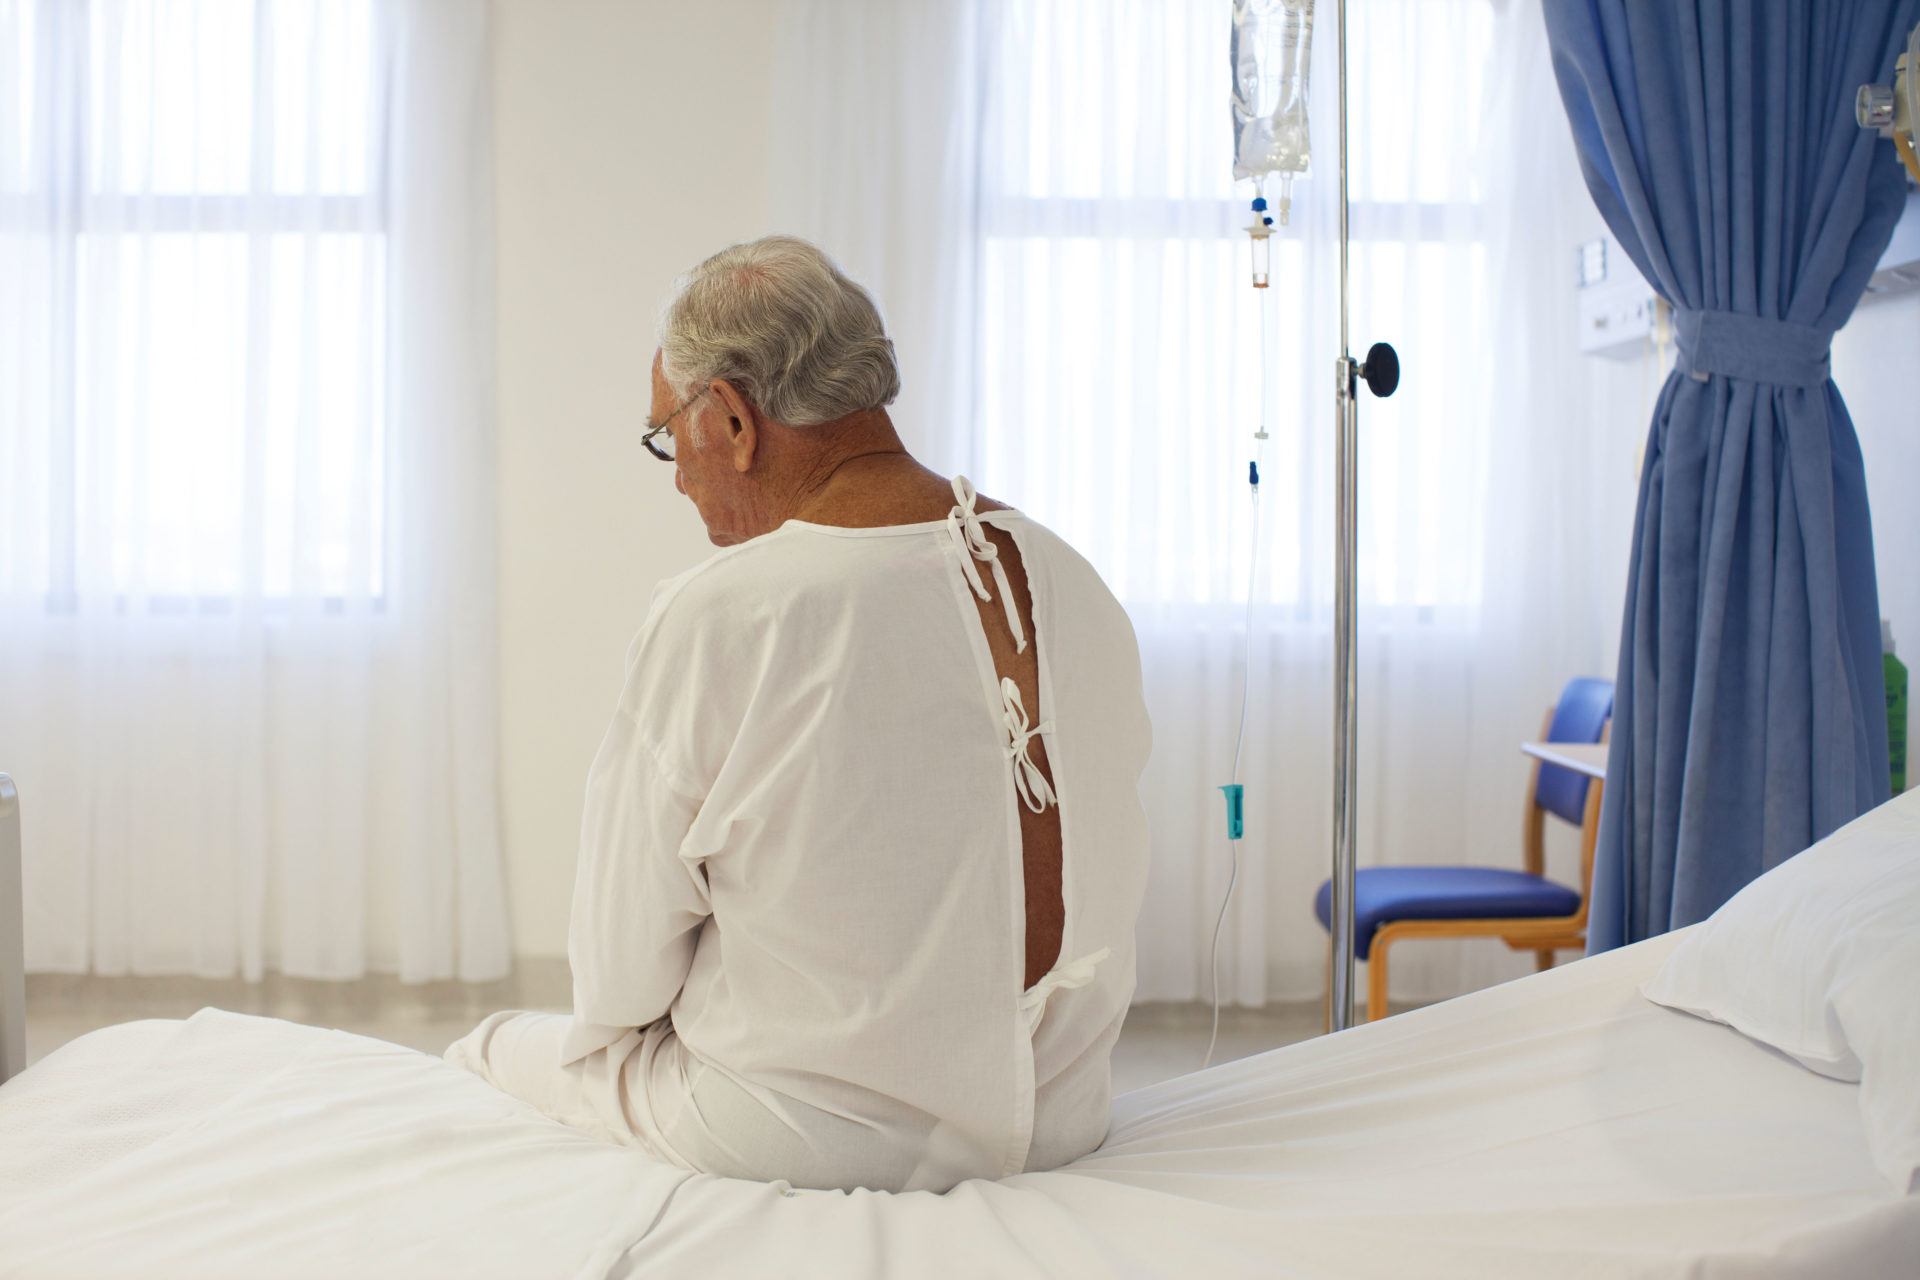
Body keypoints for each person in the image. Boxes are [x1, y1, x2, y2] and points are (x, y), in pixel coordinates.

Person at [446, 235, 1152, 1194]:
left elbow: (617, 982)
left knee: (493, 1047)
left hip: (808, 1138)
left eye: (669, 437)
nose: (681, 478)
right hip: (1060, 1118)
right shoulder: (1073, 577)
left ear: (732, 418)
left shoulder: (727, 611)